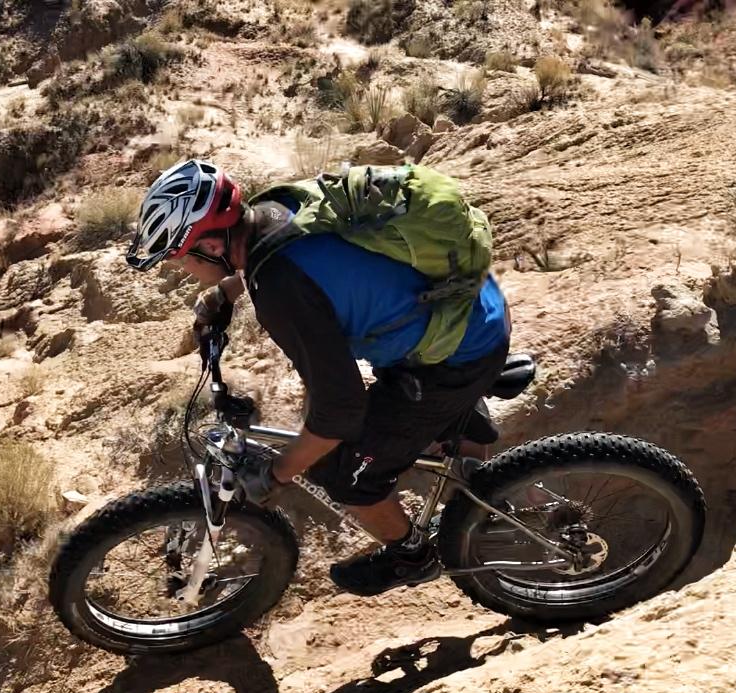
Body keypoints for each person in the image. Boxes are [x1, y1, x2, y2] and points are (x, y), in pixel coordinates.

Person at [125, 159, 511, 597]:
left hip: (459, 350)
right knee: (382, 427)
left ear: (212, 246)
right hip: (471, 303)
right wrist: (228, 290)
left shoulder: (279, 290)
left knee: (345, 476)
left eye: (179, 258)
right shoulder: (274, 207)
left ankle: (412, 557)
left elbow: (340, 410)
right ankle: (473, 459)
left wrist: (279, 472)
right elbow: (305, 253)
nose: (180, 269)